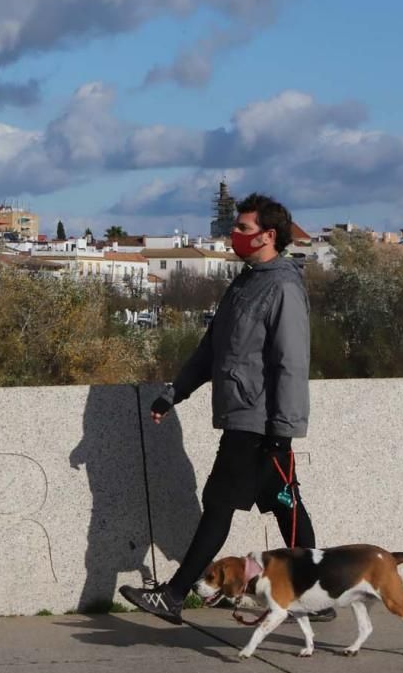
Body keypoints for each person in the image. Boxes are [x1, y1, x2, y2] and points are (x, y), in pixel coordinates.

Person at [119, 193, 333, 625]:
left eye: (244, 228)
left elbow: (291, 363)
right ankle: (317, 599)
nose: (234, 234)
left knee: (220, 505)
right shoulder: (246, 281)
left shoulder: (284, 286)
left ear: (269, 235)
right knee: (286, 506)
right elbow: (212, 349)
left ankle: (175, 594)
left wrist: (282, 432)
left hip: (259, 423)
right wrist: (174, 392)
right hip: (244, 416)